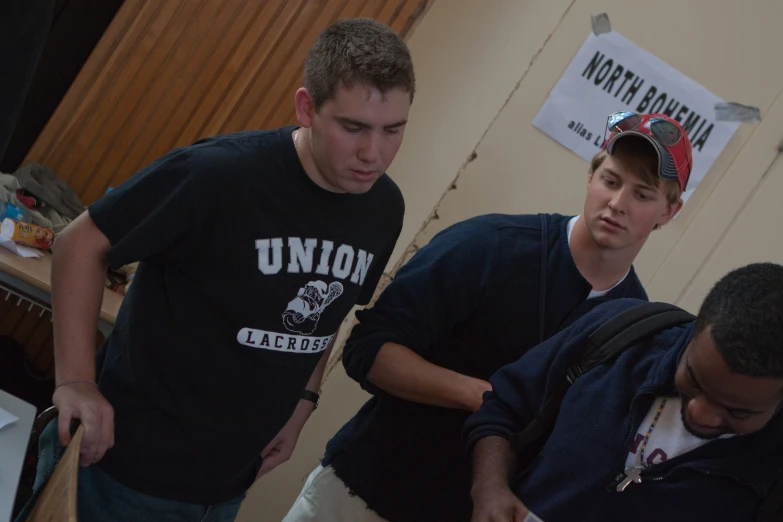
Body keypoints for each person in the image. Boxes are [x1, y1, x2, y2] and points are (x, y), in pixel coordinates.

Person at [23, 17, 414, 522]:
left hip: (227, 484)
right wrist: (76, 382)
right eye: (353, 127)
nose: (373, 153)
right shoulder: (218, 175)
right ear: (307, 108)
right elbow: (80, 242)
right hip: (122, 468)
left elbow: (331, 310)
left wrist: (303, 401)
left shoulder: (384, 207)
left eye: (393, 130)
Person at [284, 111, 691, 522]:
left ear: (668, 211)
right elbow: (367, 350)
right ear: (591, 175)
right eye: (611, 181)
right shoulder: (489, 245)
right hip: (358, 492)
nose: (617, 204)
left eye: (642, 195)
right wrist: (482, 398)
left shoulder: (635, 329)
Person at [466, 262, 783, 522]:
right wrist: (490, 488)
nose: (701, 413)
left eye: (738, 411)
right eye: (695, 380)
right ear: (695, 332)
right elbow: (504, 410)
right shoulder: (622, 335)